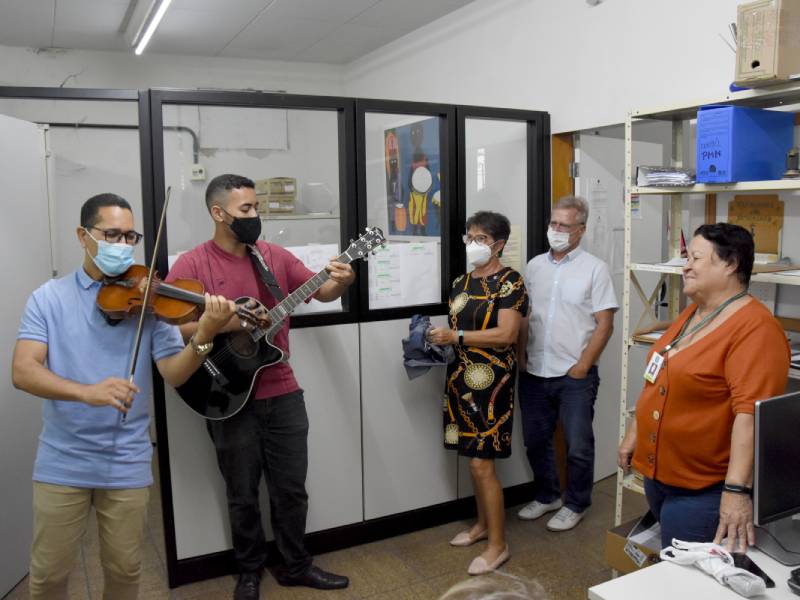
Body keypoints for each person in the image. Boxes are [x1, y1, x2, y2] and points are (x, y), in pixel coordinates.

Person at [12, 193, 238, 600]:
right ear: (83, 236)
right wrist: (86, 392)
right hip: (62, 460)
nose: (122, 245)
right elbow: (23, 371)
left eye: (130, 237)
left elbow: (174, 373)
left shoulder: (151, 300)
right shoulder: (48, 298)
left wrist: (205, 334)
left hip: (126, 460)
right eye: (111, 235)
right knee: (48, 576)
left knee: (124, 571)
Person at [166, 174, 354, 600]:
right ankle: (249, 571)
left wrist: (342, 279)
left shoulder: (273, 257)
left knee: (291, 490)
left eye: (257, 207)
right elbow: (173, 330)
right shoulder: (192, 265)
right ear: (219, 213)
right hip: (226, 394)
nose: (255, 215)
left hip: (282, 390)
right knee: (242, 494)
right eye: (246, 209)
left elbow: (322, 291)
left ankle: (296, 565)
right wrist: (228, 323)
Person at [618, 223, 789, 552]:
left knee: (684, 573)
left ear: (731, 264)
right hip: (662, 479)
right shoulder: (695, 313)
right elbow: (657, 378)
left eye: (696, 258)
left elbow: (750, 417)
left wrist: (736, 492)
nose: (686, 267)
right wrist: (634, 433)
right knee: (671, 562)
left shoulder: (756, 330)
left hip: (703, 491)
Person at [427, 211, 528, 576]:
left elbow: (507, 334)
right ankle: (483, 525)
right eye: (468, 237)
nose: (472, 244)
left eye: (480, 238)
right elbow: (459, 328)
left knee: (482, 464)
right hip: (460, 380)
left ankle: (498, 545)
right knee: (471, 460)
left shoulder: (510, 282)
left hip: (493, 383)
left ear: (498, 244)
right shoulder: (461, 282)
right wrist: (437, 339)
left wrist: (456, 337)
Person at [517, 195, 618, 531]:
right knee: (535, 440)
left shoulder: (595, 269)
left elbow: (605, 324)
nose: (556, 230)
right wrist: (521, 354)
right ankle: (548, 496)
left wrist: (583, 366)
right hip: (535, 370)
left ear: (581, 230)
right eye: (553, 223)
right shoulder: (535, 266)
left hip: (574, 374)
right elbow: (526, 315)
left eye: (564, 225)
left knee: (578, 445)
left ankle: (576, 503)